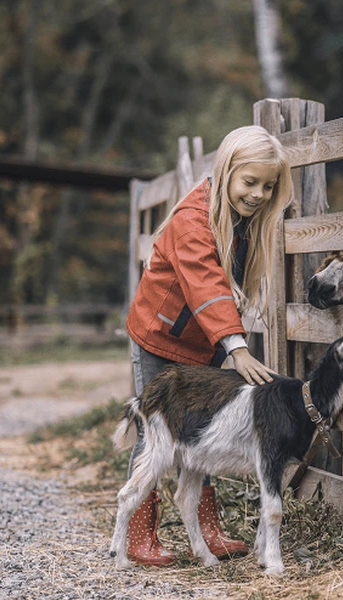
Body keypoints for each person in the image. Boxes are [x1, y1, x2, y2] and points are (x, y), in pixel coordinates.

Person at [123, 125, 293, 566]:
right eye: (249, 182)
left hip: (207, 339)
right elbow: (205, 284)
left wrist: (229, 339)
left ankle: (208, 528)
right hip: (163, 335)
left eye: (268, 186)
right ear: (226, 170)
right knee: (156, 432)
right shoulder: (192, 218)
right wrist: (236, 347)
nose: (258, 194)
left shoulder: (248, 219)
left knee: (205, 429)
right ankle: (140, 533)